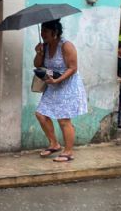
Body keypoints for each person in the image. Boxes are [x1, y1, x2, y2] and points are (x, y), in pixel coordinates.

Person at [34, 19, 88, 162]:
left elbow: (73, 67)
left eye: (46, 31)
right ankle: (54, 143)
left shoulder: (66, 45)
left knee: (63, 119)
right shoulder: (44, 46)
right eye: (42, 31)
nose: (43, 34)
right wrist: (39, 53)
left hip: (67, 84)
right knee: (40, 114)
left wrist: (58, 80)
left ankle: (69, 152)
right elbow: (37, 64)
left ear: (55, 32)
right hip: (53, 84)